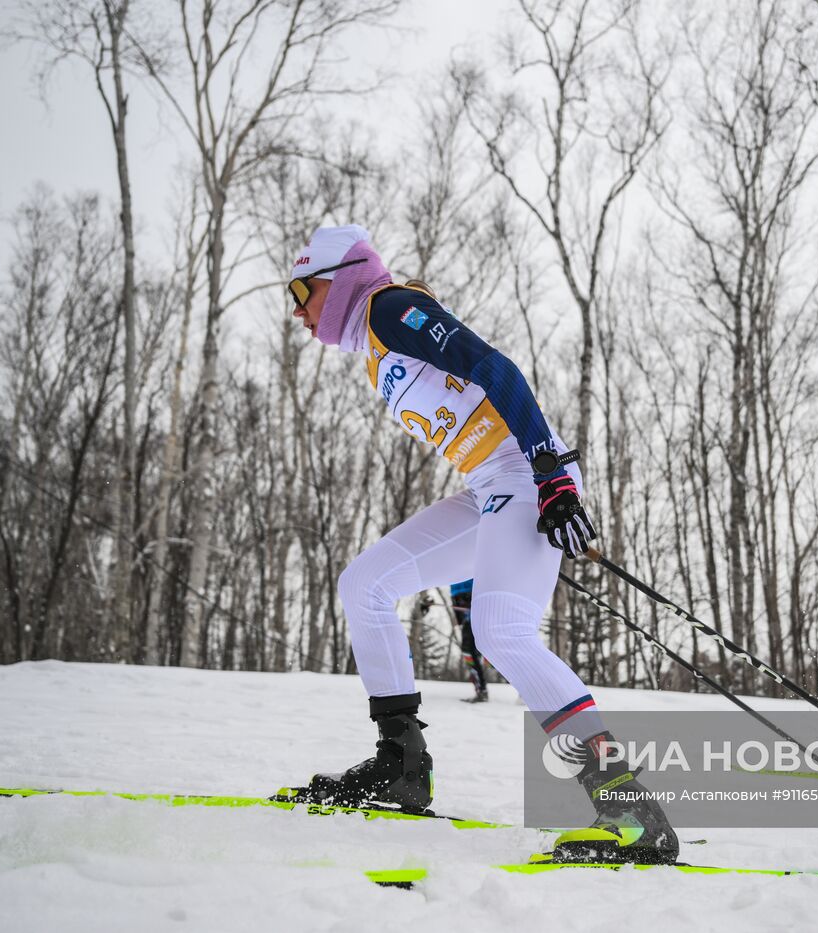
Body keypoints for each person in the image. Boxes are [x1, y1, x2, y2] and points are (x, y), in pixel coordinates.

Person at [288, 224, 676, 863]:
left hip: (525, 475)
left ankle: (632, 813)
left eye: (301, 293)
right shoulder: (376, 345)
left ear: (338, 277)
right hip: (494, 487)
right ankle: (401, 766)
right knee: (365, 585)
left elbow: (494, 367)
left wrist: (550, 470)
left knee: (501, 630)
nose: (299, 313)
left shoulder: (388, 307)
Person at [450, 580, 490, 703]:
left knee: (470, 651)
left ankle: (482, 690)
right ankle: (481, 690)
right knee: (470, 652)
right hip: (461, 599)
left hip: (475, 597)